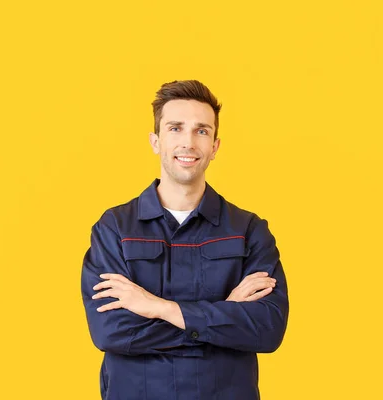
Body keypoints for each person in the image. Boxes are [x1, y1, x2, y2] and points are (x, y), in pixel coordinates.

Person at [80, 80, 289, 400]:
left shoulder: (248, 230)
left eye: (201, 131)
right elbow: (111, 332)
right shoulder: (115, 229)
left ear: (215, 146)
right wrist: (224, 314)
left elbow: (267, 329)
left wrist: (156, 307)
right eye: (175, 128)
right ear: (155, 141)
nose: (188, 142)